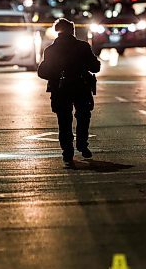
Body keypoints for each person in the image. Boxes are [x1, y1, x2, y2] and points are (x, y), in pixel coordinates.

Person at [38, 18, 100, 163]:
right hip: (81, 86)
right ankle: (82, 145)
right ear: (73, 31)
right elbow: (95, 67)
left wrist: (56, 75)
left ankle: (67, 151)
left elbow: (42, 72)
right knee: (83, 117)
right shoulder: (83, 47)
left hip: (60, 89)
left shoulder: (50, 50)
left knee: (64, 120)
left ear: (56, 32)